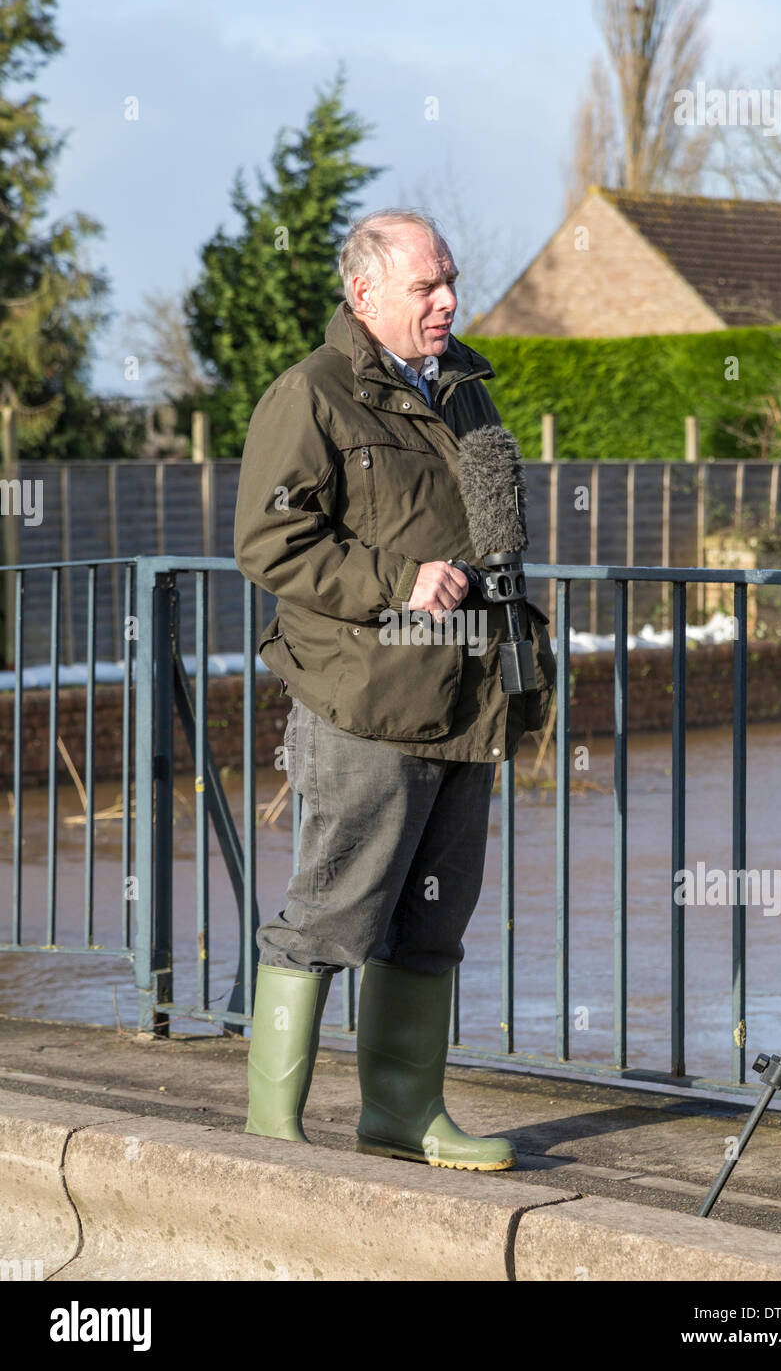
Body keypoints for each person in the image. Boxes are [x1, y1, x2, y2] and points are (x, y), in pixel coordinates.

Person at [233, 208, 555, 1172]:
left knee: (432, 926)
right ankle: (272, 1135)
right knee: (331, 918)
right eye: (427, 287)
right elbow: (269, 541)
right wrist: (395, 580)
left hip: (468, 700)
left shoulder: (466, 393)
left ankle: (404, 1117)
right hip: (365, 705)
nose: (449, 299)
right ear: (365, 294)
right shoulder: (314, 394)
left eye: (450, 280)